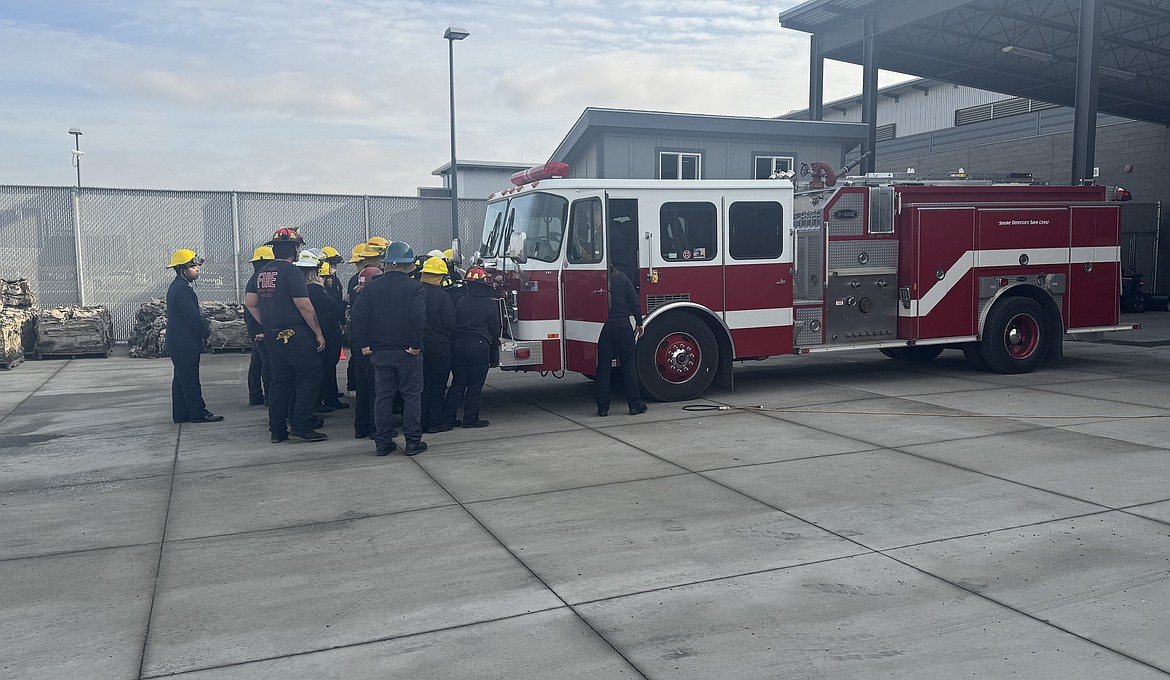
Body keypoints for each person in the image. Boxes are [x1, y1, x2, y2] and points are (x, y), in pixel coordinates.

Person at [244, 227, 328, 443]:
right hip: (296, 335)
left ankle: (277, 430)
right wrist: (318, 332)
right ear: (294, 249)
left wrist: (267, 323)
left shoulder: (261, 272)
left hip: (273, 336)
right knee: (310, 376)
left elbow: (250, 303)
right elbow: (304, 306)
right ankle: (302, 424)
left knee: (280, 381)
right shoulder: (292, 272)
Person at [351, 241, 428, 456]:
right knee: (411, 395)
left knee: (383, 396)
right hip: (407, 352)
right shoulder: (415, 288)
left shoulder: (371, 288)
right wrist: (415, 345)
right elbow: (418, 318)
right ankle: (412, 441)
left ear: (387, 263)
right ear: (408, 264)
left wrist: (364, 344)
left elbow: (358, 316)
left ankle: (383, 442)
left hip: (380, 351)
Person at [165, 249, 223, 424]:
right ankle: (198, 412)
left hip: (178, 342)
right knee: (190, 379)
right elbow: (192, 316)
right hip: (185, 343)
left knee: (181, 379)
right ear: (182, 269)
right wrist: (206, 333)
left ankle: (181, 414)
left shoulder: (178, 286)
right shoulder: (182, 289)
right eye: (192, 266)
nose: (197, 269)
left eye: (197, 266)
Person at [440, 266, 500, 430]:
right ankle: (471, 419)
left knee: (458, 382)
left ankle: (448, 418)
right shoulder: (489, 304)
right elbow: (495, 326)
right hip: (478, 346)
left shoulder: (461, 301)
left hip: (459, 345)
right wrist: (495, 341)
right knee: (475, 384)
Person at [294, 250, 345, 413]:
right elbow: (332, 305)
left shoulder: (299, 288)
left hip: (312, 332)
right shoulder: (315, 289)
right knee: (325, 367)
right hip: (325, 330)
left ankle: (326, 397)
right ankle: (323, 400)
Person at [595, 264, 648, 417]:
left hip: (607, 328)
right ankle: (634, 405)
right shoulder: (622, 278)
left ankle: (602, 408)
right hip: (623, 327)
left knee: (603, 369)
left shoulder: (601, 280)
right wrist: (639, 322)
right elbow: (634, 301)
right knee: (629, 366)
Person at [420, 256, 456, 433]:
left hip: (418, 346)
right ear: (440, 277)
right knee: (438, 385)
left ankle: (420, 422)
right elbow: (450, 323)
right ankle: (434, 423)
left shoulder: (415, 293)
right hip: (440, 346)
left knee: (422, 386)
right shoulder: (443, 296)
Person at [349, 265, 382, 439]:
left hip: (359, 350)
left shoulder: (360, 298)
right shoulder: (370, 301)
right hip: (368, 350)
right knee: (374, 389)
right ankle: (375, 427)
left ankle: (361, 427)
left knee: (363, 389)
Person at [245, 245, 275, 406]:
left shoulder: (256, 279)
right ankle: (270, 397)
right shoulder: (260, 280)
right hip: (261, 330)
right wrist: (259, 330)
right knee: (268, 363)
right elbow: (252, 307)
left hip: (257, 330)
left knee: (257, 363)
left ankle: (256, 395)